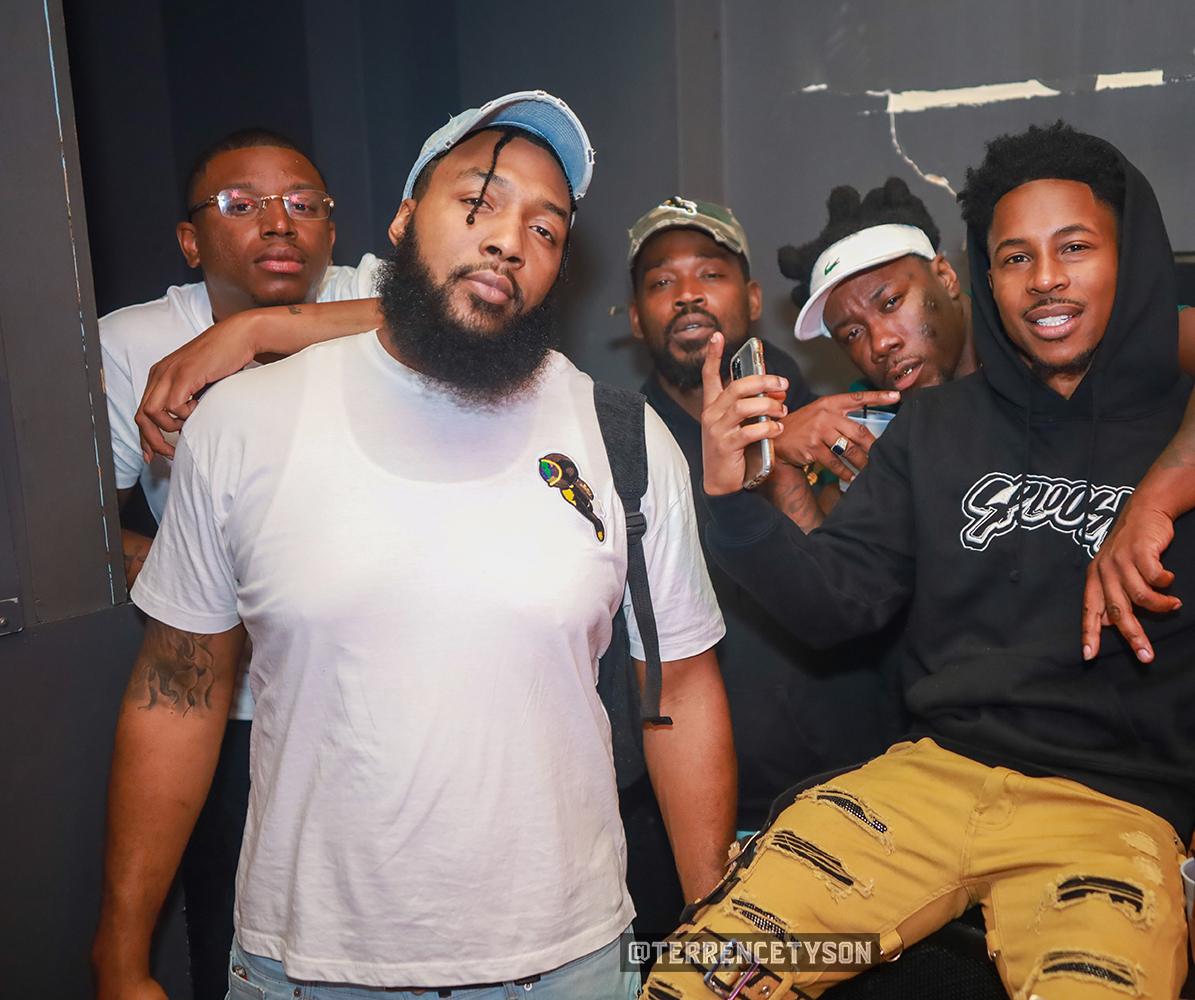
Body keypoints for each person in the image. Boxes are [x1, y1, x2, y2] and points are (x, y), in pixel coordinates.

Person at [644, 122, 1195, 1000]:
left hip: (1112, 814)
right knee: (696, 980)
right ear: (987, 276)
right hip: (920, 787)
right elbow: (835, 603)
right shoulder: (933, 428)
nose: (1044, 280)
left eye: (1074, 247)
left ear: (1128, 258)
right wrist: (733, 502)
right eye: (1015, 257)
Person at [92, 91, 734, 1000]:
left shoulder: (621, 439)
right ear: (402, 220)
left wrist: (714, 933)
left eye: (545, 230)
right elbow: (176, 693)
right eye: (478, 202)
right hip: (306, 970)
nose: (508, 240)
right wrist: (120, 954)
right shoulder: (242, 424)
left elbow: (683, 691)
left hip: (569, 966)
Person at [770, 178, 1195, 785]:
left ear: (948, 277)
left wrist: (1151, 504)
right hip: (995, 701)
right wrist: (781, 465)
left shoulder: (1062, 322)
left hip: (1184, 498)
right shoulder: (870, 418)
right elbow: (834, 590)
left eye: (891, 303)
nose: (880, 342)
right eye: (850, 333)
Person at [96, 128, 383, 1000]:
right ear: (191, 241)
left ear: (332, 229)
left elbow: (471, 313)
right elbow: (67, 536)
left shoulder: (372, 294)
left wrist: (254, 332)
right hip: (233, 716)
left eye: (303, 204)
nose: (278, 222)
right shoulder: (133, 341)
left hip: (381, 704)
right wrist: (186, 576)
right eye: (241, 204)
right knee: (240, 938)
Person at [624, 199, 909, 896]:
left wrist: (781, 459)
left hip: (861, 796)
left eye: (710, 273)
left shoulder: (835, 419)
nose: (687, 294)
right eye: (661, 281)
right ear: (634, 317)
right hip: (693, 818)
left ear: (752, 299)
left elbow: (849, 594)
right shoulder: (616, 447)